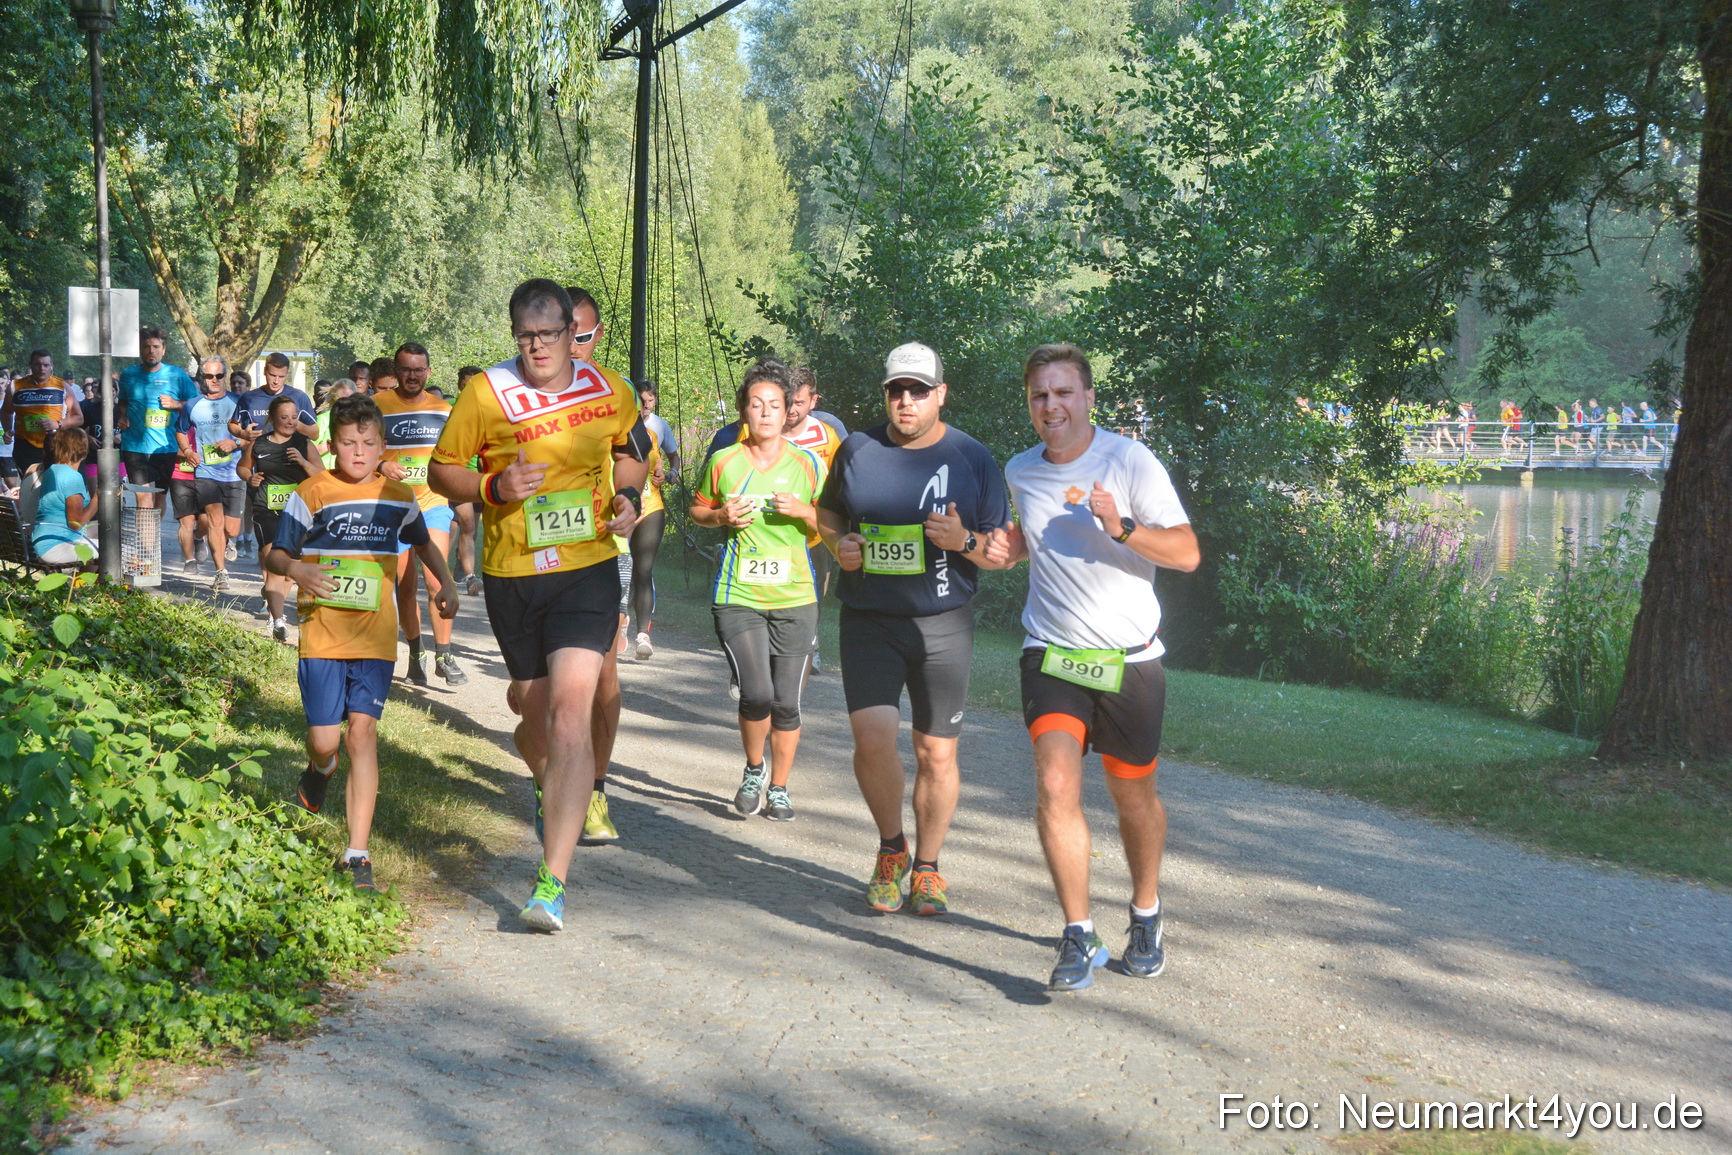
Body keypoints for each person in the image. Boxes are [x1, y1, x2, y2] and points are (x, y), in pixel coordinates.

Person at [428, 279, 651, 932]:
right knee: (530, 709)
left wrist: (628, 500)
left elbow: (632, 453)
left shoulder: (608, 388)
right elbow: (443, 469)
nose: (538, 348)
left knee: (569, 708)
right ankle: (549, 780)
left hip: (587, 568)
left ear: (570, 331)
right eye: (525, 337)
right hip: (513, 572)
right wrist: (492, 483)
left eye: (550, 335)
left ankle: (551, 881)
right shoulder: (485, 394)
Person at [987, 343, 1200, 992]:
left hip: (1129, 660)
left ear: (1087, 398)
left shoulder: (1129, 459)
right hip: (1050, 652)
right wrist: (1001, 548)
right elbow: (1031, 540)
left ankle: (1145, 913)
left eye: (1062, 393)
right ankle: (1078, 933)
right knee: (1055, 785)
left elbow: (1186, 553)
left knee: (1133, 797)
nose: (1050, 406)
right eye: (1038, 396)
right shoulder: (1020, 470)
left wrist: (1123, 526)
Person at [816, 342, 1013, 917]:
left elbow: (1000, 551)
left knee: (936, 753)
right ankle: (890, 849)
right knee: (872, 740)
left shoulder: (973, 458)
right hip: (869, 619)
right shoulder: (857, 448)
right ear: (885, 394)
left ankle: (927, 866)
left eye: (918, 391)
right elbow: (829, 516)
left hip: (943, 624)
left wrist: (965, 543)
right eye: (896, 390)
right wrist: (838, 545)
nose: (906, 401)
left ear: (940, 395)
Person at [269, 393, 458, 893]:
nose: (358, 452)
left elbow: (422, 544)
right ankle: (320, 766)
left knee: (363, 735)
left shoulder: (398, 497)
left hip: (376, 639)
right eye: (349, 443)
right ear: (332, 445)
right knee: (327, 740)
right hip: (322, 636)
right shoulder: (312, 492)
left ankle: (357, 854)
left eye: (368, 443)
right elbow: (276, 553)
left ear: (382, 447)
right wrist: (295, 569)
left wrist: (448, 585)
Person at [690, 360, 825, 821]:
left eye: (774, 405)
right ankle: (753, 770)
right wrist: (721, 517)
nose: (765, 412)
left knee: (787, 701)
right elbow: (698, 509)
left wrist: (806, 512)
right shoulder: (723, 461)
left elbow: (834, 523)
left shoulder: (808, 464)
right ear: (745, 412)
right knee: (757, 693)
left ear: (789, 410)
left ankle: (780, 788)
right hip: (738, 595)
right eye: (756, 404)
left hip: (795, 597)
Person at [376, 342, 467, 686]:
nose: (412, 376)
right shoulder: (377, 405)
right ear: (396, 372)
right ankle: (416, 652)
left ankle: (444, 653)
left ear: (428, 372)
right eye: (405, 369)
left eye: (418, 370)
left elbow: (456, 457)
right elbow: (359, 447)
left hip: (432, 503)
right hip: (393, 506)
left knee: (437, 579)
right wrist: (382, 464)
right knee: (405, 584)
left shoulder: (444, 409)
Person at [239, 395, 322, 642]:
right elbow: (243, 467)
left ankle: (277, 602)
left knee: (289, 571)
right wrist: (248, 478)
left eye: (294, 417)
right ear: (272, 419)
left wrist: (303, 462)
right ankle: (278, 621)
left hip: (298, 513)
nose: (290, 422)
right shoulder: (260, 444)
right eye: (284, 417)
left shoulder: (304, 443)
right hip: (266, 510)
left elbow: (322, 475)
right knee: (275, 562)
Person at [177, 359, 244, 591]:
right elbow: (180, 431)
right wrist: (187, 451)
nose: (214, 381)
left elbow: (253, 433)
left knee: (232, 529)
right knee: (215, 521)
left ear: (225, 376)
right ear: (202, 377)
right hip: (206, 472)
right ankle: (220, 572)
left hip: (235, 473)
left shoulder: (238, 402)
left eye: (219, 376)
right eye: (208, 376)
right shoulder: (192, 405)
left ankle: (224, 541)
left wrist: (235, 443)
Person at [624, 378, 678, 660]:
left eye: (649, 402)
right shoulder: (611, 430)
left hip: (651, 506)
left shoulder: (654, 434)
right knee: (617, 568)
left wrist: (663, 475)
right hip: (621, 508)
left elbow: (661, 465)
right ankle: (617, 621)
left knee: (643, 571)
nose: (644, 407)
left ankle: (643, 634)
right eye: (639, 401)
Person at [116, 327, 198, 509]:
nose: (151, 351)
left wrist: (176, 404)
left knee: (160, 499)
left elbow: (196, 404)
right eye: (146, 346)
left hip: (165, 447)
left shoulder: (177, 375)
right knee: (143, 499)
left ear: (163, 350)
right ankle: (147, 538)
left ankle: (153, 536)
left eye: (155, 346)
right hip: (135, 447)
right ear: (140, 349)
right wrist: (122, 416)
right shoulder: (129, 374)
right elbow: (122, 402)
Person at [2, 350, 82, 475]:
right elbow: (6, 412)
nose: (41, 369)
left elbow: (78, 418)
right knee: (31, 485)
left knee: (52, 483)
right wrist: (8, 430)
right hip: (25, 445)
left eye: (46, 365)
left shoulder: (62, 386)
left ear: (52, 366)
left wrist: (57, 424)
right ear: (30, 365)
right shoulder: (15, 386)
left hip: (55, 444)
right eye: (37, 364)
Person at [29, 428, 99, 567]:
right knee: (117, 549)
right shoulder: (72, 478)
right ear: (83, 451)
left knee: (107, 529)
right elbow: (75, 523)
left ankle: (83, 584)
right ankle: (94, 586)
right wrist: (97, 499)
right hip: (57, 545)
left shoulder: (53, 470)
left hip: (43, 540)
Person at [449, 365, 485, 596]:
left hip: (481, 479)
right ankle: (467, 576)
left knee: (470, 527)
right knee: (460, 524)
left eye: (475, 382)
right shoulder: (450, 408)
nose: (470, 386)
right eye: (466, 382)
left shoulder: (488, 409)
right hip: (456, 475)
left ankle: (460, 568)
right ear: (460, 383)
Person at [315, 377, 360, 468]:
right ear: (333, 399)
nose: (345, 404)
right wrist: (335, 444)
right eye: (340, 400)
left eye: (349, 400)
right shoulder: (323, 419)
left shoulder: (360, 420)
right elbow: (309, 451)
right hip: (325, 474)